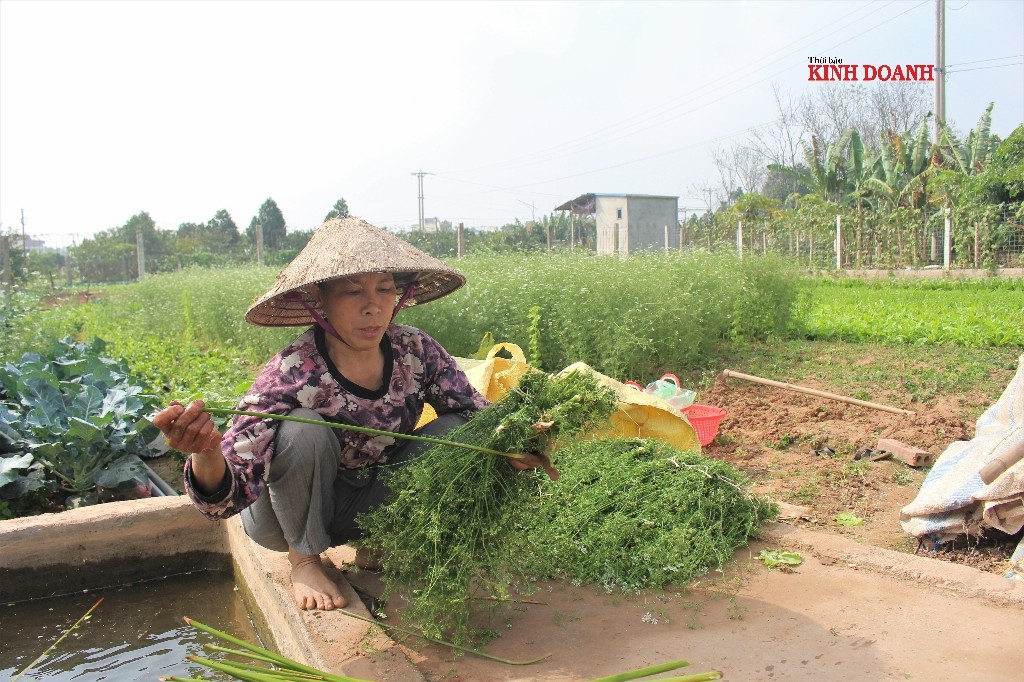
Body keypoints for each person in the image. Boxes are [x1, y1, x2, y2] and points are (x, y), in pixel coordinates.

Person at [153, 217, 543, 611]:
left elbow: (474, 414)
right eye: (353, 291)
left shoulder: (415, 350)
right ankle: (304, 560)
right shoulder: (291, 372)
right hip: (284, 512)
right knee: (305, 430)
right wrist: (205, 452)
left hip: (366, 499)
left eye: (385, 289)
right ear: (319, 301)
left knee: (458, 431)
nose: (373, 306)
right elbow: (226, 496)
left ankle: (380, 539)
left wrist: (518, 441)